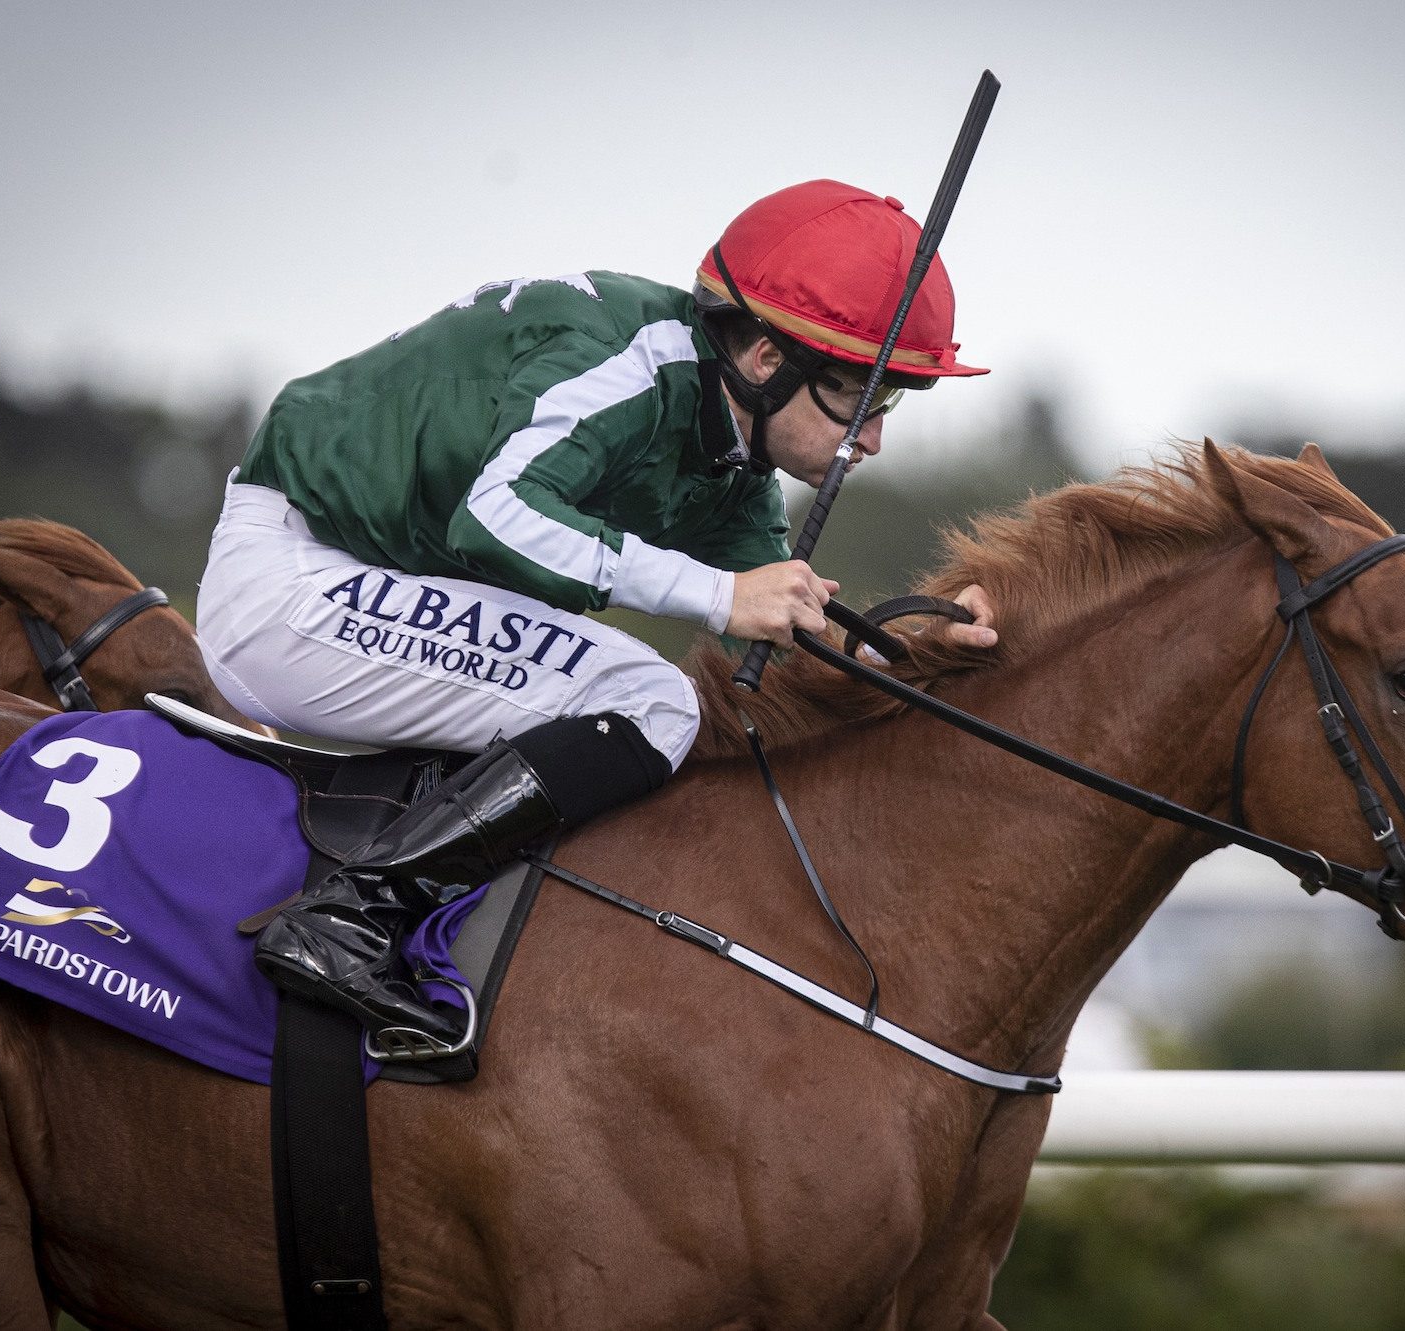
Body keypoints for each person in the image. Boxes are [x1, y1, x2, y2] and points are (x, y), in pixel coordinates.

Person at [196, 180, 999, 1050]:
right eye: (860, 400)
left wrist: (914, 650)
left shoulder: (729, 455)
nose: (872, 440)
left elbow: (783, 625)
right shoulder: (630, 360)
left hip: (369, 583)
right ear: (768, 360)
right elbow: (495, 511)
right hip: (292, 578)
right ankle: (351, 918)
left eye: (890, 407)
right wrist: (720, 592)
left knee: (644, 690)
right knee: (655, 699)